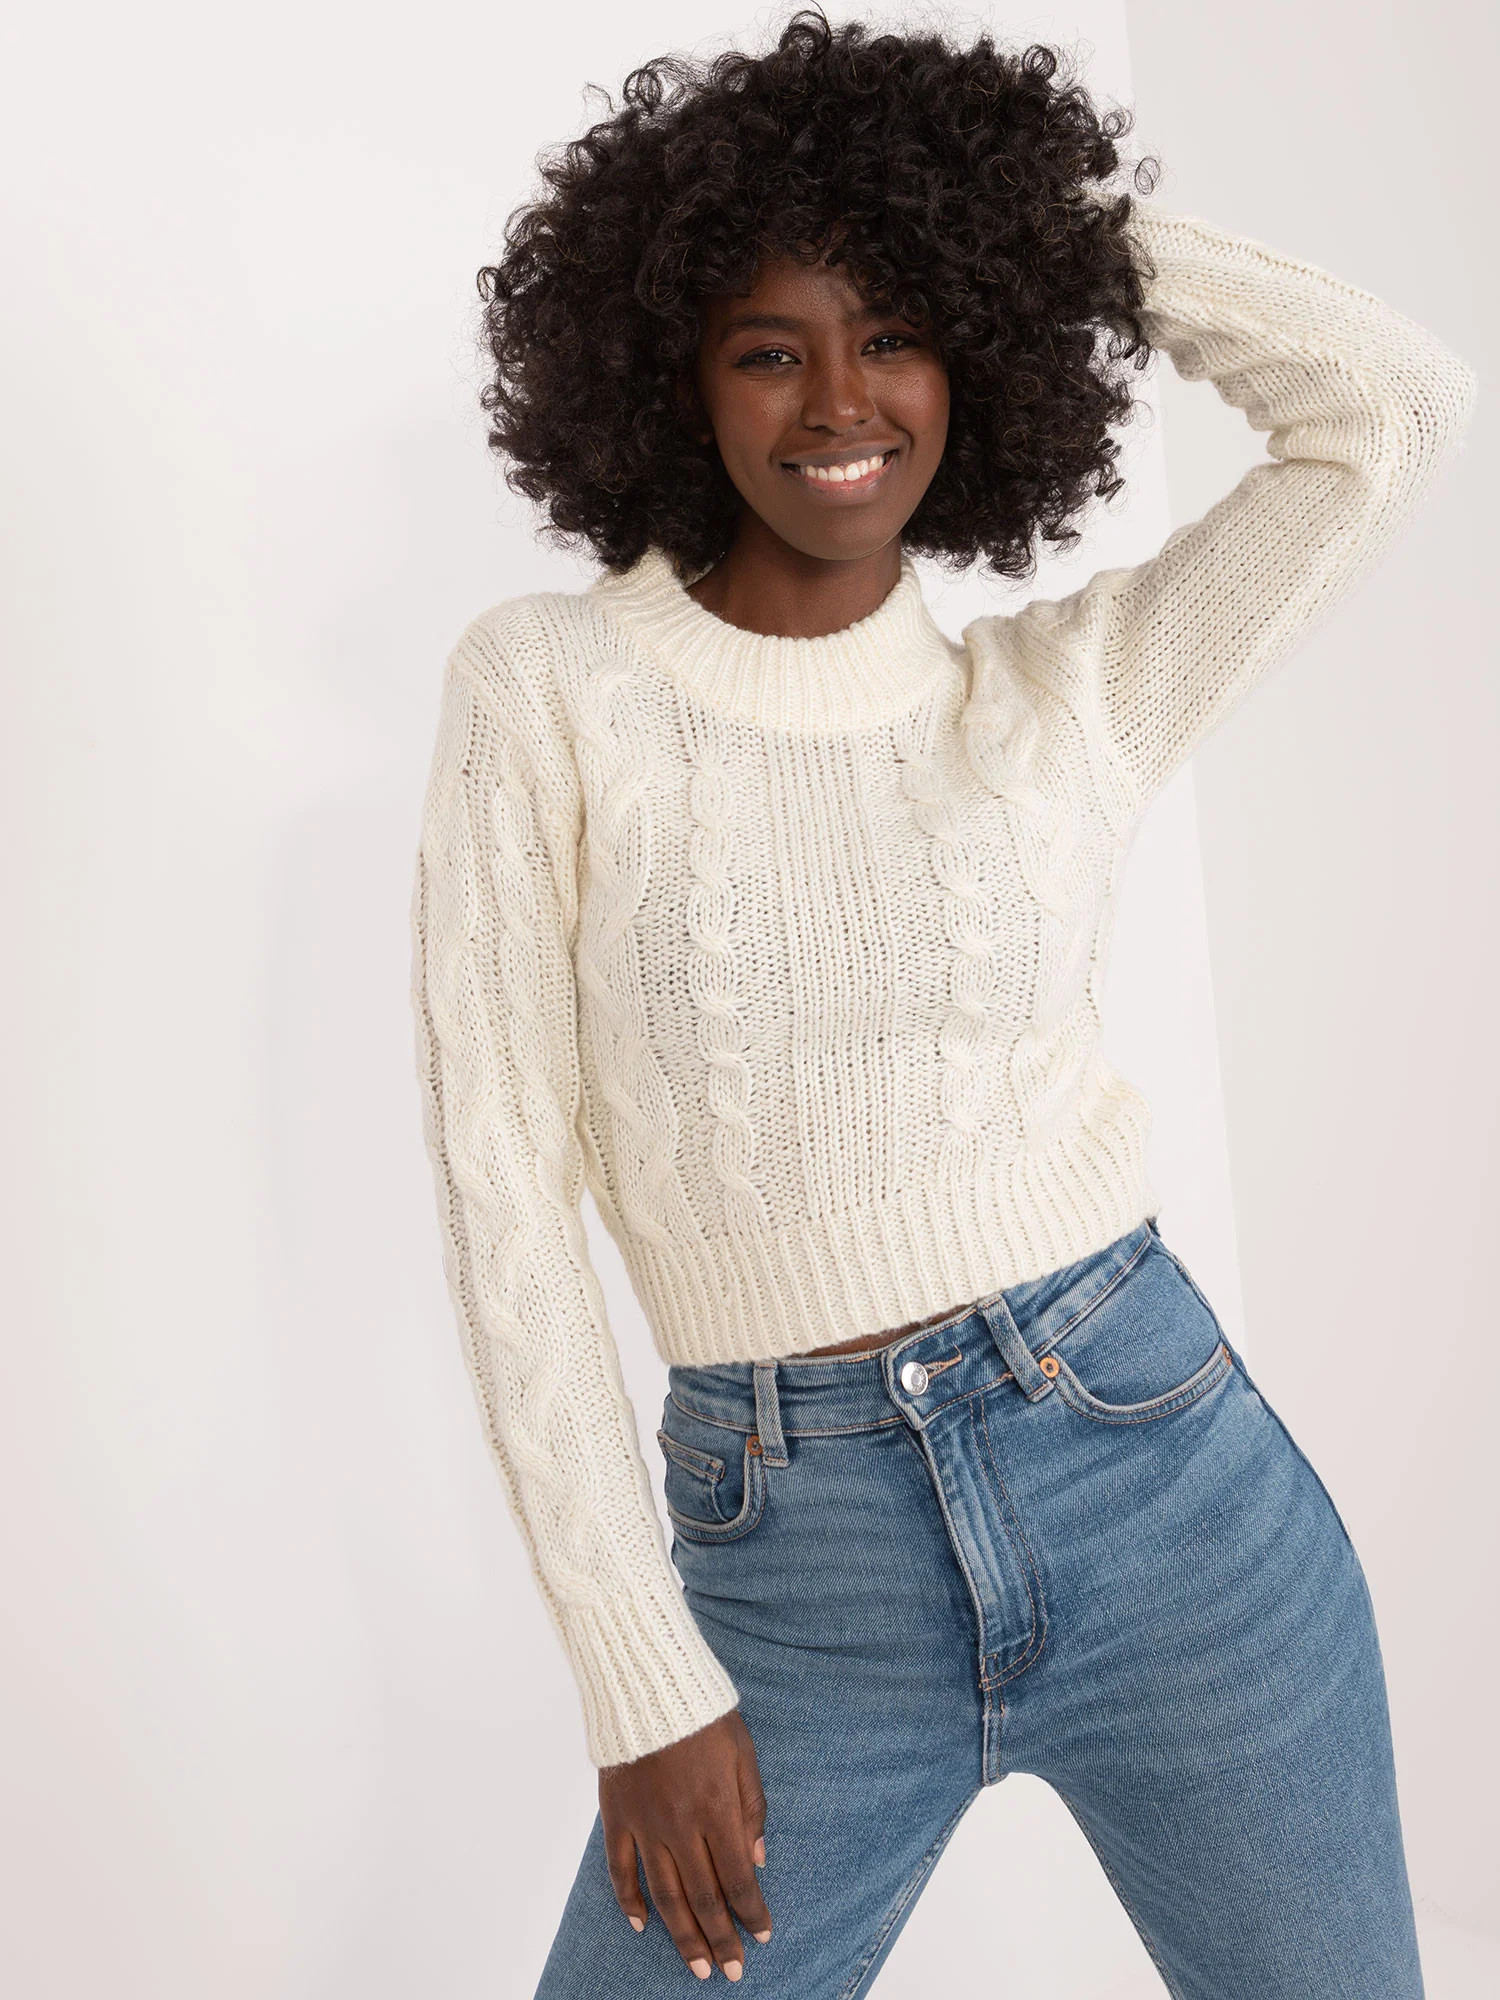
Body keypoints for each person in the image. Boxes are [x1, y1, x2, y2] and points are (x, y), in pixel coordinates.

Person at [409, 12, 1475, 1996]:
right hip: (790, 1567)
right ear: (672, 377)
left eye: (896, 331)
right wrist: (643, 1676)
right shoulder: (548, 690)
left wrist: (1059, 230)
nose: (842, 401)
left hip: (1164, 1479)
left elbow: (1391, 409)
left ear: (975, 354)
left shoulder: (1075, 690)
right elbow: (505, 1197)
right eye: (769, 349)